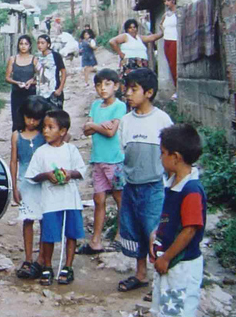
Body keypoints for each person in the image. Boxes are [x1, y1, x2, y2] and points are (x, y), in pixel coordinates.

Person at [116, 68, 173, 294]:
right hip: (131, 186)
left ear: (148, 92)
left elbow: (171, 153)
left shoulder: (161, 120)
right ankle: (140, 275)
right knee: (135, 230)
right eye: (126, 89)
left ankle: (161, 282)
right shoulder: (126, 121)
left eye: (133, 89)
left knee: (154, 232)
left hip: (153, 187)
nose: (128, 94)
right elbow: (123, 150)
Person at [150, 123, 206, 317]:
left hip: (181, 265)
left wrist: (166, 257)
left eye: (162, 152)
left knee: (176, 312)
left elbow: (189, 230)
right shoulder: (173, 183)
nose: (160, 157)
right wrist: (155, 237)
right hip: (170, 264)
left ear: (175, 157)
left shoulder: (190, 191)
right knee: (164, 310)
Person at [25, 109, 86, 286]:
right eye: (44, 127)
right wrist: (46, 175)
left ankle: (68, 266)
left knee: (71, 233)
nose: (45, 131)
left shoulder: (71, 150)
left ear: (63, 131)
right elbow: (32, 175)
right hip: (50, 201)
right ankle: (47, 266)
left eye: (51, 127)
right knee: (49, 234)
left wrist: (69, 174)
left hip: (70, 199)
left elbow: (81, 171)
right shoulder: (41, 152)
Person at [77, 69, 127, 255]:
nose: (102, 88)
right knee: (99, 199)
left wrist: (94, 126)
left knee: (119, 198)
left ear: (116, 86)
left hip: (114, 160)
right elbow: (86, 130)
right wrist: (98, 127)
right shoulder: (96, 106)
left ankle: (120, 236)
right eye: (99, 85)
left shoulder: (119, 106)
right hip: (98, 159)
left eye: (107, 84)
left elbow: (110, 132)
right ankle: (95, 241)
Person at [11, 96, 49, 280]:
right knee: (27, 220)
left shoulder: (44, 135)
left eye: (36, 118)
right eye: (28, 117)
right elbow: (13, 161)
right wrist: (14, 185)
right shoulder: (16, 136)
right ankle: (28, 258)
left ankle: (41, 259)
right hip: (25, 183)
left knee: (43, 220)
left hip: (43, 183)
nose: (31, 121)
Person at [5, 35, 38, 131]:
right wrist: (16, 82)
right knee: (17, 119)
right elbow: (7, 78)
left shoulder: (34, 59)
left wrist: (31, 82)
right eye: (21, 44)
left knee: (30, 118)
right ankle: (16, 143)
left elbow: (41, 77)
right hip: (16, 93)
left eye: (26, 44)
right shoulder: (13, 59)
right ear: (18, 45)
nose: (23, 46)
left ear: (30, 46)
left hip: (31, 94)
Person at [35, 35, 67, 109]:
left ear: (48, 44)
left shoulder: (55, 56)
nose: (40, 45)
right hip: (41, 92)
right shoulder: (37, 58)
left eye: (42, 43)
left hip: (54, 91)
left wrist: (60, 89)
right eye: (38, 43)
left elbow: (63, 72)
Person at [159, 0, 178, 99]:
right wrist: (164, 32)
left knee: (175, 65)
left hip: (175, 41)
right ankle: (176, 88)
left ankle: (178, 90)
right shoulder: (166, 15)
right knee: (170, 65)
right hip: (167, 41)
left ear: (174, 1)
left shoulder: (178, 13)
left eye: (169, 0)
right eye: (165, 1)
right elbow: (160, 25)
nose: (166, 3)